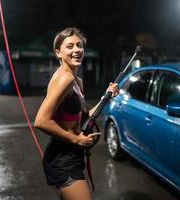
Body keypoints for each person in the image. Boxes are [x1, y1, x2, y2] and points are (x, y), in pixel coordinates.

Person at [34, 27, 119, 200]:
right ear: (58, 52)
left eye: (79, 45)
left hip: (73, 154)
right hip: (62, 157)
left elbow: (84, 116)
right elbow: (41, 121)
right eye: (70, 46)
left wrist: (106, 97)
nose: (76, 50)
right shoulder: (64, 79)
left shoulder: (76, 80)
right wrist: (76, 139)